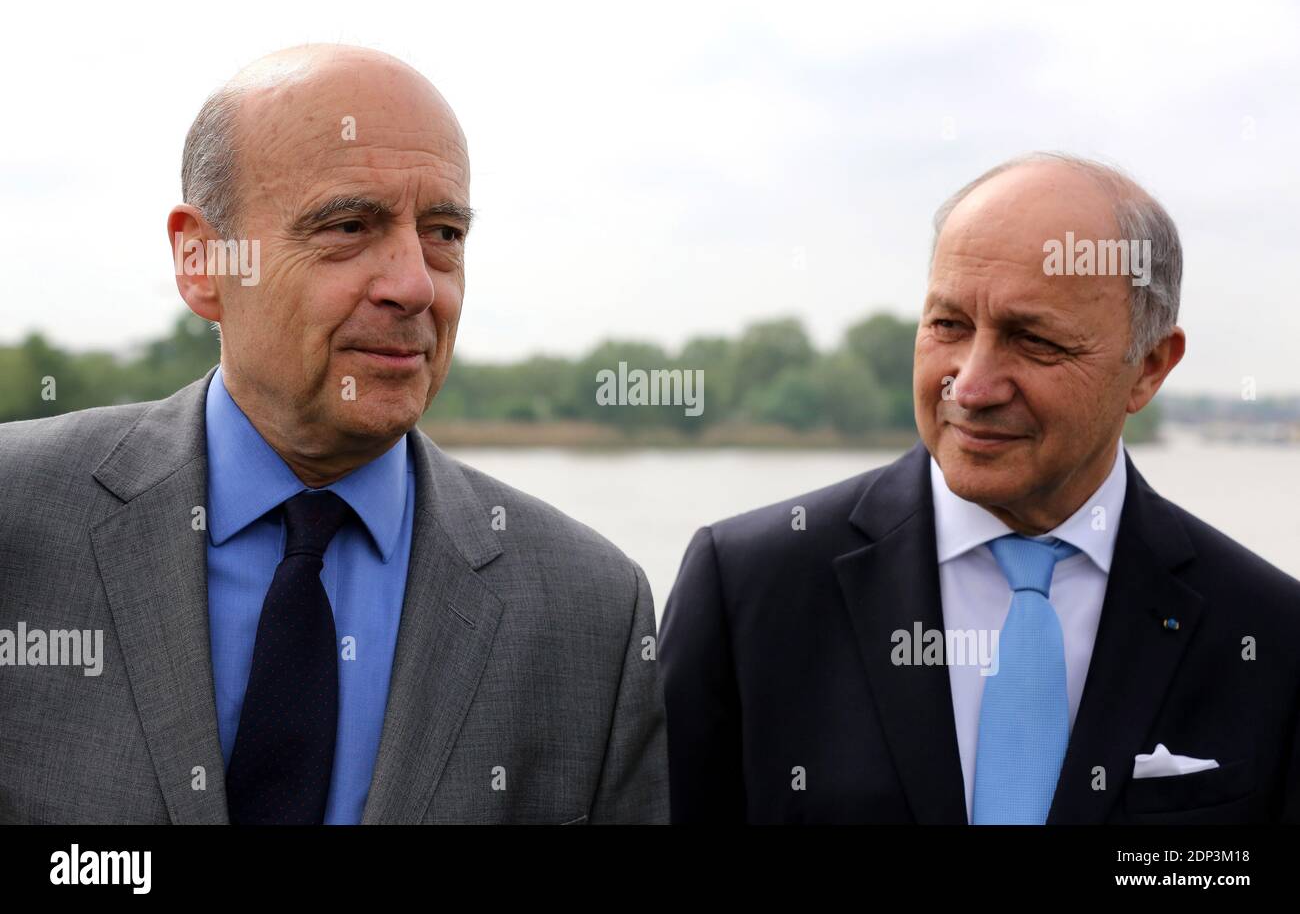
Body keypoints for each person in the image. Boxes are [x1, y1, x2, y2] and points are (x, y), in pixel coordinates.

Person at [0, 45, 666, 825]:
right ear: (202, 258)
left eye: (444, 233)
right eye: (349, 226)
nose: (415, 284)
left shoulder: (590, 609)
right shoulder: (18, 518)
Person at [660, 152, 1300, 823]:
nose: (970, 385)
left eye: (1033, 340)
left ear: (1148, 368)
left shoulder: (1270, 636)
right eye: (949, 325)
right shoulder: (747, 591)